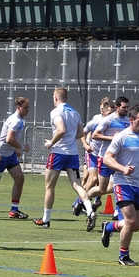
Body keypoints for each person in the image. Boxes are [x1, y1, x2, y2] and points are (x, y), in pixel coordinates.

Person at [100, 104, 139, 266]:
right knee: (130, 221)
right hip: (123, 184)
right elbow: (107, 158)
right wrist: (122, 168)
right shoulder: (121, 137)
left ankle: (109, 227)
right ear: (131, 120)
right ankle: (123, 256)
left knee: (138, 225)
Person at [33, 87, 96, 231]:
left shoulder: (56, 112)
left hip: (58, 153)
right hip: (72, 153)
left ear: (55, 98)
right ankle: (90, 210)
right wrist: (68, 141)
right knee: (77, 185)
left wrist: (51, 143)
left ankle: (46, 220)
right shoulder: (75, 112)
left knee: (49, 187)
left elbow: (61, 130)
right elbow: (81, 133)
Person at [86, 97, 130, 217]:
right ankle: (81, 200)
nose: (126, 109)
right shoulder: (108, 120)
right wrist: (113, 139)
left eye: (127, 107)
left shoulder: (128, 121)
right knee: (101, 189)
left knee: (119, 185)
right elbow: (95, 135)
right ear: (117, 107)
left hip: (119, 159)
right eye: (124, 107)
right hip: (105, 158)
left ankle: (118, 212)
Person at [0, 97, 31, 219]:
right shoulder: (15, 120)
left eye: (28, 107)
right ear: (18, 107)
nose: (27, 110)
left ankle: (14, 210)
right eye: (25, 107)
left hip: (10, 155)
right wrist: (22, 147)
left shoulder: (19, 119)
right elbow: (9, 139)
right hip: (1, 155)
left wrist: (15, 149)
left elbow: (9, 139)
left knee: (20, 179)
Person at [73, 97, 113, 215]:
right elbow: (82, 133)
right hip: (92, 154)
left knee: (102, 185)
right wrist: (85, 144)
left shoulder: (115, 123)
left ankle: (95, 201)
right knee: (92, 179)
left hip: (104, 156)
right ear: (103, 112)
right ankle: (80, 201)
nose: (112, 115)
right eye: (109, 113)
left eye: (113, 113)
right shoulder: (96, 121)